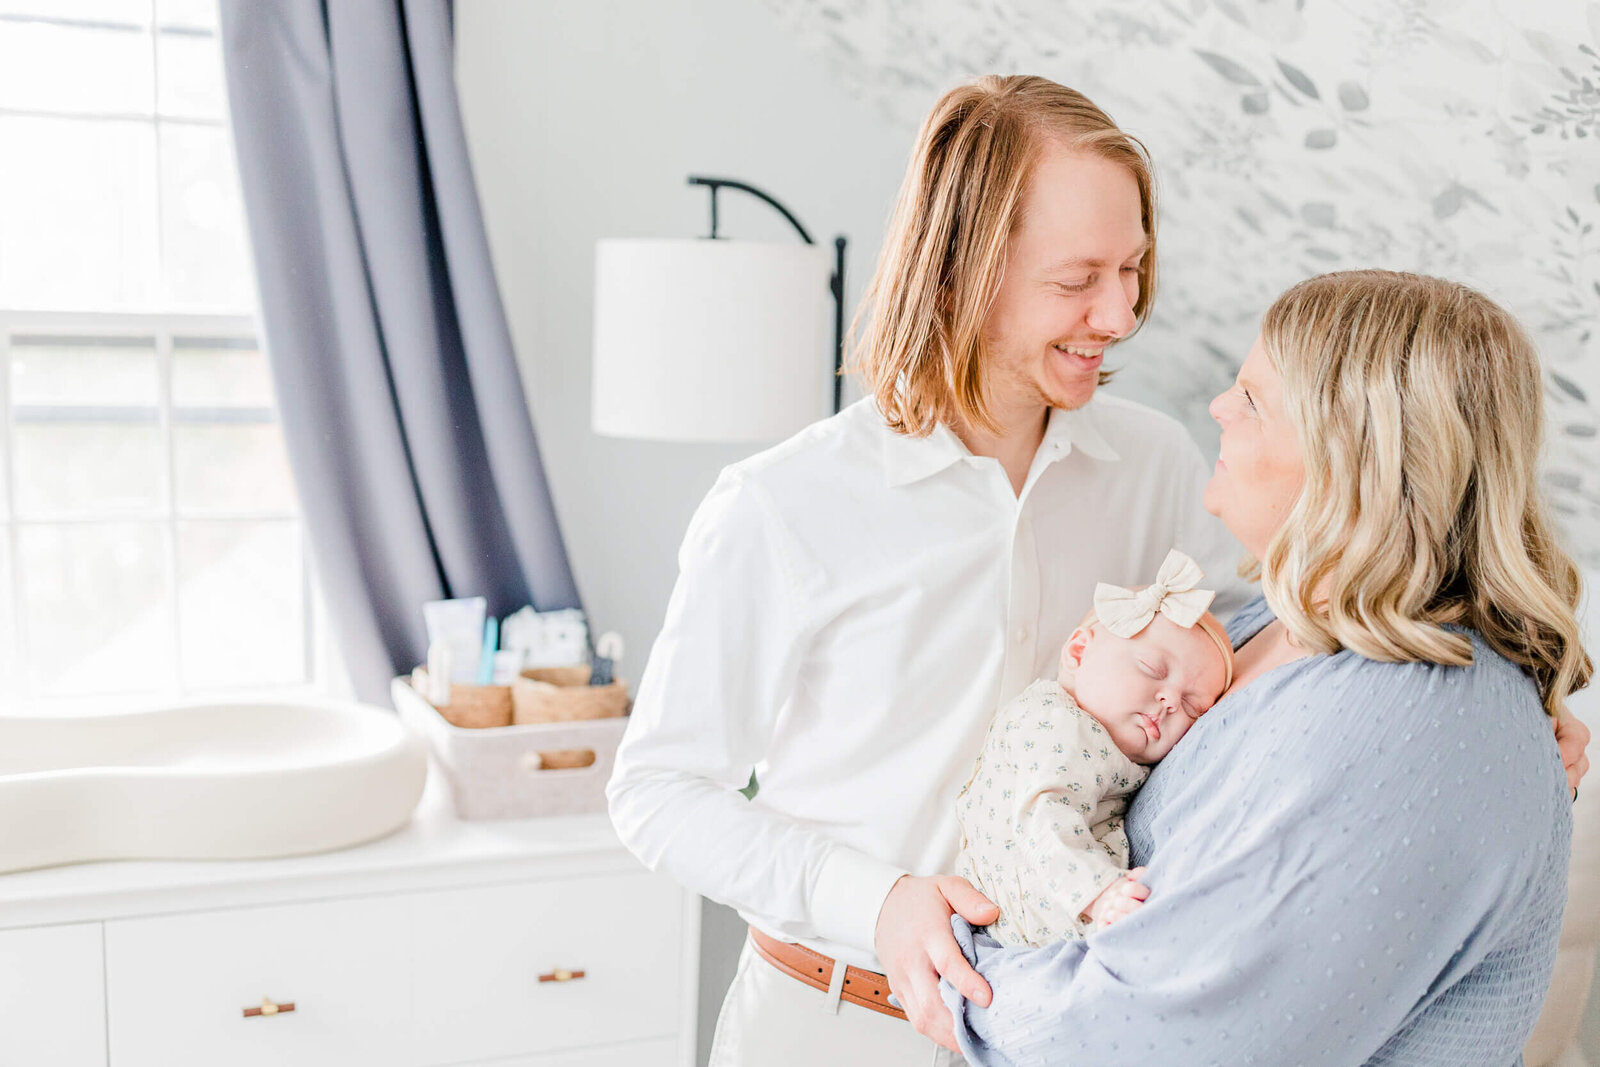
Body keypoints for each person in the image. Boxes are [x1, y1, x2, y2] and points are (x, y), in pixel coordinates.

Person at [606, 74, 1591, 1063]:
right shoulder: (784, 506)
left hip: (1064, 1013)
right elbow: (656, 789)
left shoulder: (1156, 462)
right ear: (959, 271)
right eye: (1077, 280)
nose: (1120, 313)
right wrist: (879, 899)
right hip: (840, 1014)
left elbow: (1292, 634)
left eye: (1133, 267)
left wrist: (1513, 705)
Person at [940, 270, 1594, 1065]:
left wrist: (958, 967)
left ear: (1353, 460)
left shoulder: (1415, 716)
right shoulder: (1261, 627)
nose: (1217, 407)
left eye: (1251, 398)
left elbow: (1148, 1037)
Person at [954, 549, 1234, 948]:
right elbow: (1044, 815)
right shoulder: (1062, 726)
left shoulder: (1089, 733)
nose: (1170, 700)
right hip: (1040, 921)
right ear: (1078, 652)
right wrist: (1101, 894)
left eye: (1193, 707)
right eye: (1153, 669)